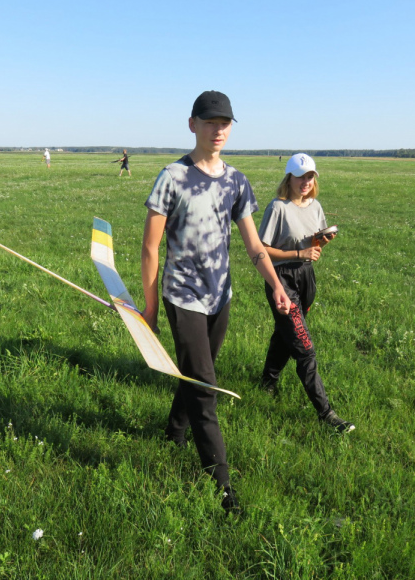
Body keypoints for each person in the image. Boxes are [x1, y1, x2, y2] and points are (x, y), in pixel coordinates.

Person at [142, 90, 291, 514]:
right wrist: (151, 309)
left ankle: (173, 432)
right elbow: (151, 247)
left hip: (219, 295)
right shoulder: (171, 177)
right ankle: (222, 485)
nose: (218, 129)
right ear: (193, 125)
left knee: (195, 373)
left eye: (225, 122)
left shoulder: (237, 181)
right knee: (204, 385)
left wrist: (277, 285)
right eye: (210, 122)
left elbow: (254, 246)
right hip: (182, 295)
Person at [257, 153, 355, 433]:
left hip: (306, 278)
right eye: (300, 176)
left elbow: (313, 244)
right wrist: (299, 252)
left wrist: (320, 243)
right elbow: (262, 250)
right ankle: (327, 414)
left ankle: (268, 381)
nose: (305, 182)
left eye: (310, 176)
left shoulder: (316, 206)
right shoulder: (278, 207)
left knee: (286, 332)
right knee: (304, 348)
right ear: (289, 177)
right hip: (281, 279)